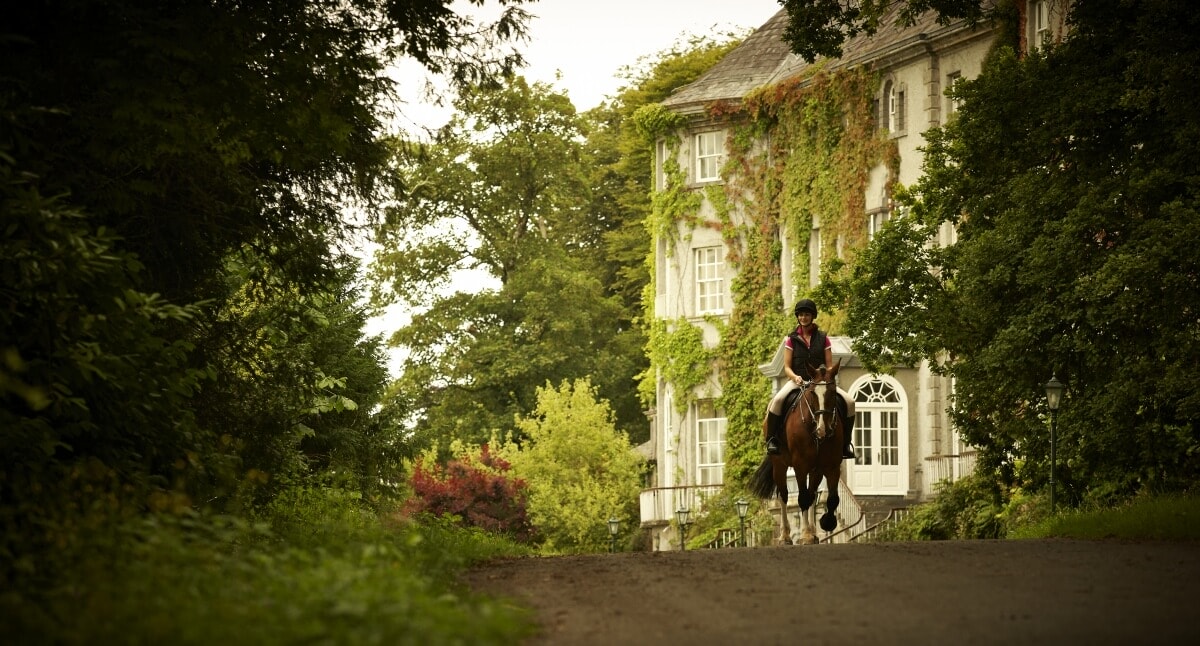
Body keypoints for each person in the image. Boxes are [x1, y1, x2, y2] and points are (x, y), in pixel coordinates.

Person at [763, 299, 856, 459]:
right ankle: (772, 440)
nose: (803, 318)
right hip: (797, 381)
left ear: (812, 316)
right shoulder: (791, 339)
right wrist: (795, 377)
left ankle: (846, 444)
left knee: (849, 402)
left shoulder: (823, 338)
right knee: (777, 401)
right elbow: (786, 367)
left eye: (806, 314)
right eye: (800, 315)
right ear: (797, 317)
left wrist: (825, 378)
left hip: (820, 382)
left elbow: (828, 365)